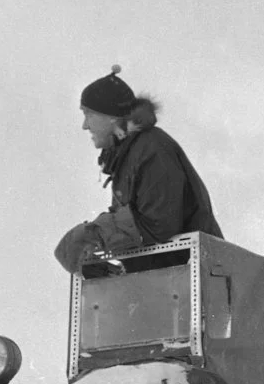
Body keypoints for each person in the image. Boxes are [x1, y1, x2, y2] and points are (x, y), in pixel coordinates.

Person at [54, 66, 223, 273]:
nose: (85, 126)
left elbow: (159, 223)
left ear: (111, 117)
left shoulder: (152, 148)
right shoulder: (128, 155)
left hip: (194, 276)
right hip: (168, 280)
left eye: (88, 114)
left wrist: (95, 233)